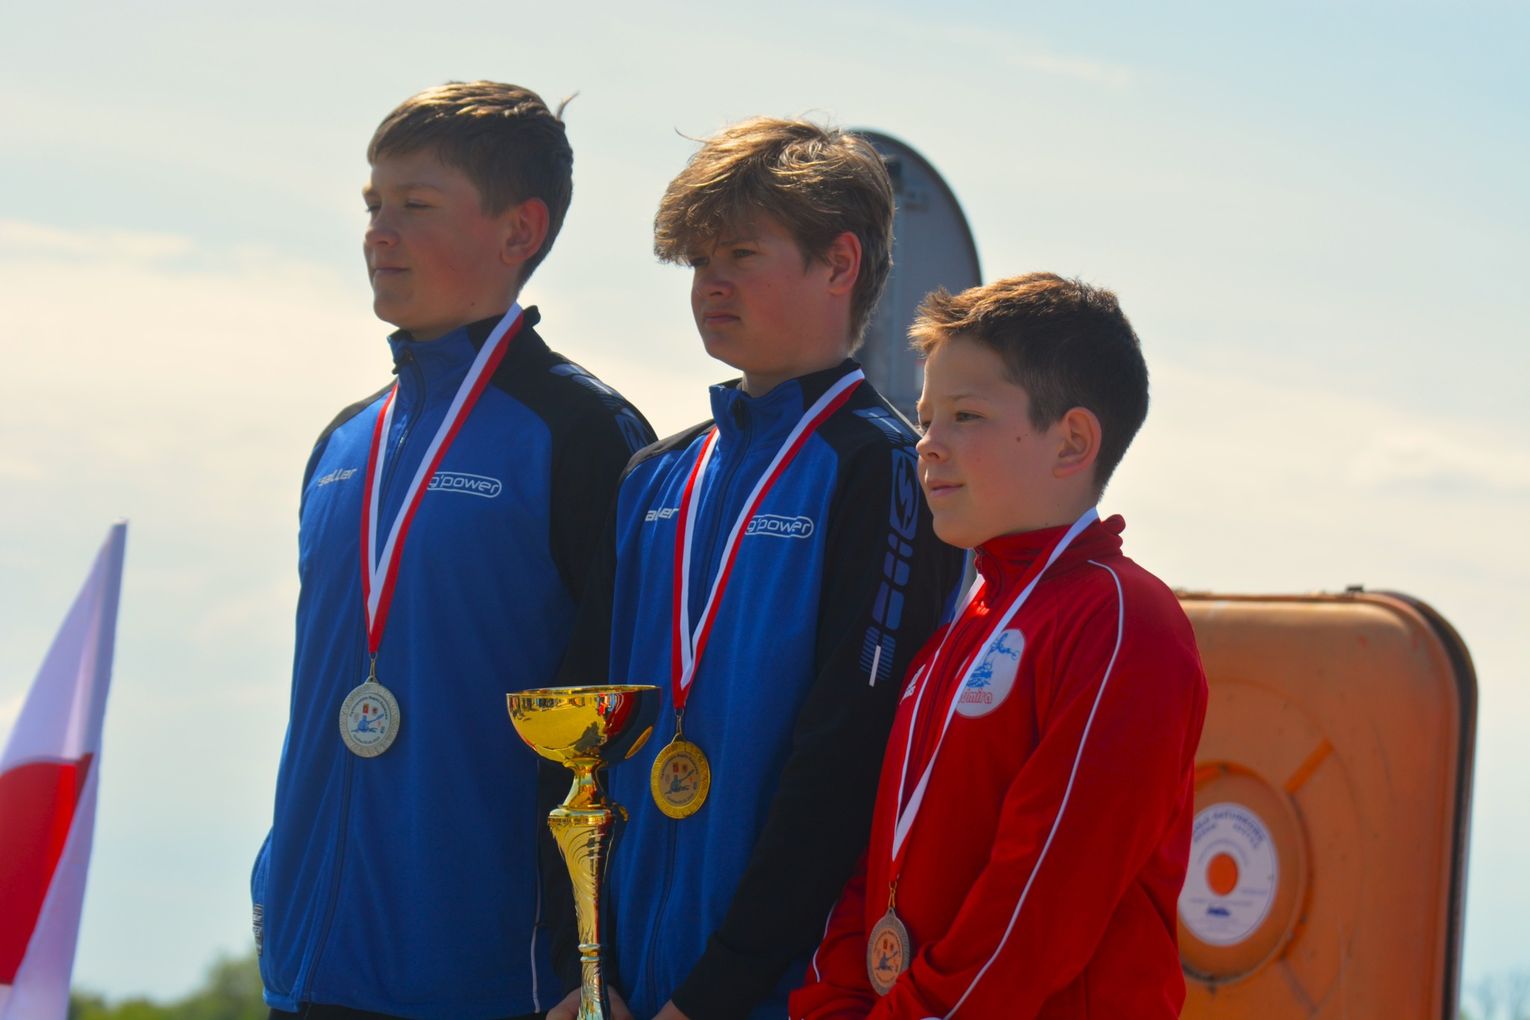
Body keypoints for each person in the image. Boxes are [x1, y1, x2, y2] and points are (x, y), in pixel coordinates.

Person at [250, 81, 654, 1020]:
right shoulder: (343, 441)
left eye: (416, 205)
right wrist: (276, 883)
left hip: (490, 977)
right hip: (308, 964)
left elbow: (622, 721)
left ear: (519, 231)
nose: (378, 234)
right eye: (372, 205)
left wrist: (591, 958)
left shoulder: (585, 434)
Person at [548, 118, 964, 1020]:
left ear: (840, 263)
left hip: (777, 993)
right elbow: (583, 740)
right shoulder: (654, 476)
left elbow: (847, 756)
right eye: (698, 262)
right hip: (622, 986)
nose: (711, 284)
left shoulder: (887, 473)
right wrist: (582, 970)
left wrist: (715, 996)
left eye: (740, 253)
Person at [789, 273, 1209, 1018]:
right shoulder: (971, 618)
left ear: (1071, 442)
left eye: (966, 416)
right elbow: (873, 861)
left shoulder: (1123, 620)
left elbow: (1041, 905)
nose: (928, 444)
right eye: (926, 418)